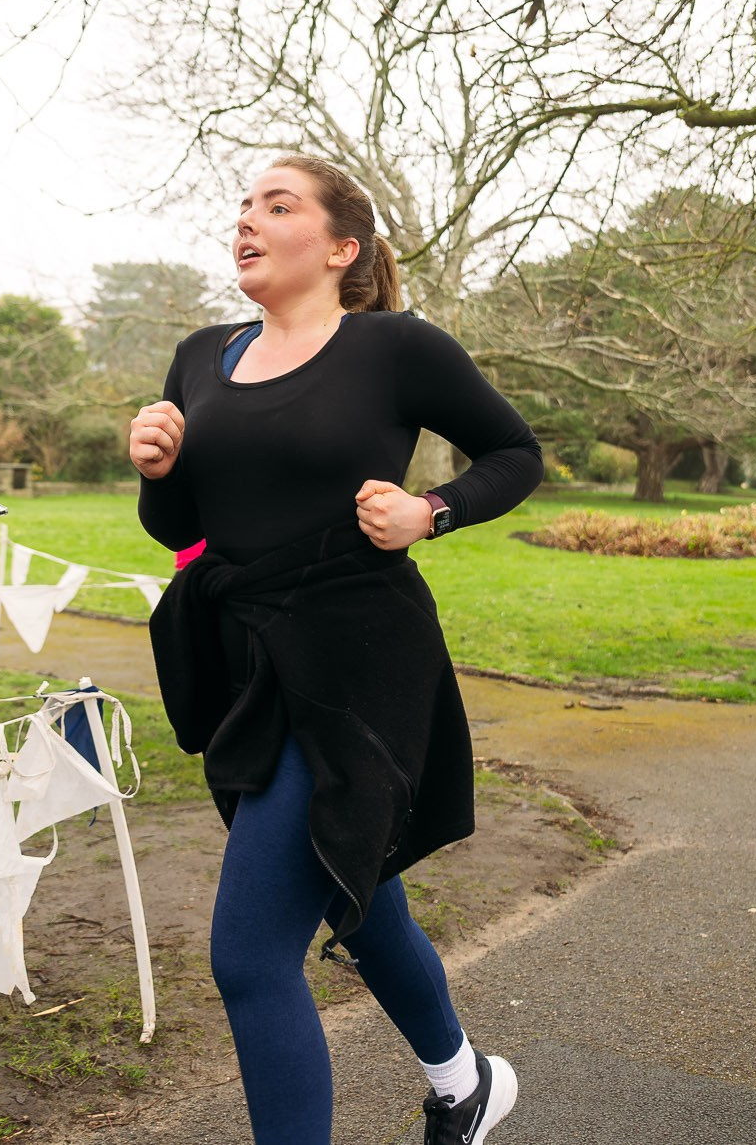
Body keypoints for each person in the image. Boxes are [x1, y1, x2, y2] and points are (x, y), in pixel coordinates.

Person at [131, 155, 541, 1145]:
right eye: (241, 205)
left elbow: (514, 453)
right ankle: (463, 1082)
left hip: (359, 661)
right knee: (355, 890)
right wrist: (153, 468)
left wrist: (427, 510)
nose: (248, 220)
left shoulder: (394, 347)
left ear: (340, 247)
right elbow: (181, 525)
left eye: (278, 206)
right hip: (247, 665)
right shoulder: (200, 354)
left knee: (250, 953)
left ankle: (456, 1085)